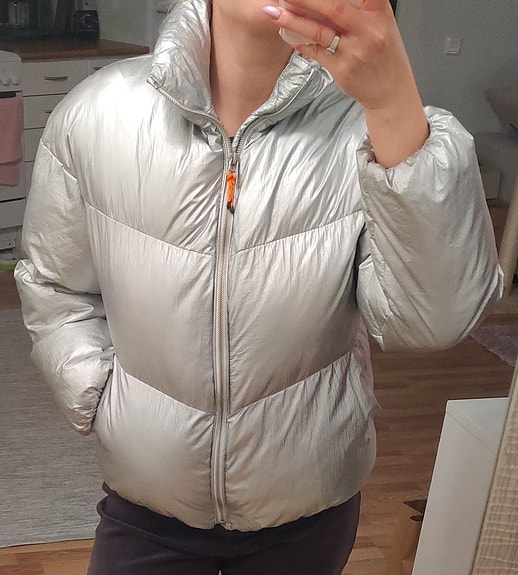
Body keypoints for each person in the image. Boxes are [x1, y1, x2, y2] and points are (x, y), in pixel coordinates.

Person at [14, 0, 502, 573]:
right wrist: (99, 398)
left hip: (309, 506)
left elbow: (431, 321)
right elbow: (54, 284)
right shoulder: (99, 114)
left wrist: (394, 103)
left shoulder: (376, 131)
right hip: (146, 501)